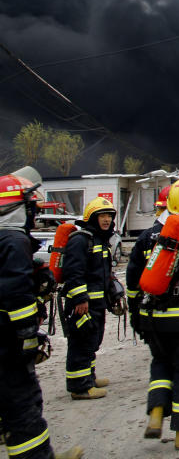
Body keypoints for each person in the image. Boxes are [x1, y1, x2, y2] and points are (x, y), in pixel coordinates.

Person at [0, 172, 84, 459]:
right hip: (6, 340)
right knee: (23, 402)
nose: (33, 213)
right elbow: (16, 295)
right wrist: (27, 334)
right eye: (30, 207)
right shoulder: (13, 241)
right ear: (17, 208)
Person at [127, 176, 179, 450]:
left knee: (161, 363)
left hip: (152, 317)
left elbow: (132, 279)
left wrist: (134, 313)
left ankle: (156, 413)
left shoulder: (148, 235)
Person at [62, 196, 116, 400]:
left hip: (96, 304)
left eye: (109, 216)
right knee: (81, 342)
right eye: (102, 215)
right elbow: (73, 272)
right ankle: (80, 386)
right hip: (82, 305)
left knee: (93, 340)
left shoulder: (99, 241)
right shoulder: (80, 240)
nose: (106, 220)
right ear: (91, 218)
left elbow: (102, 274)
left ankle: (89, 377)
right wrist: (80, 299)